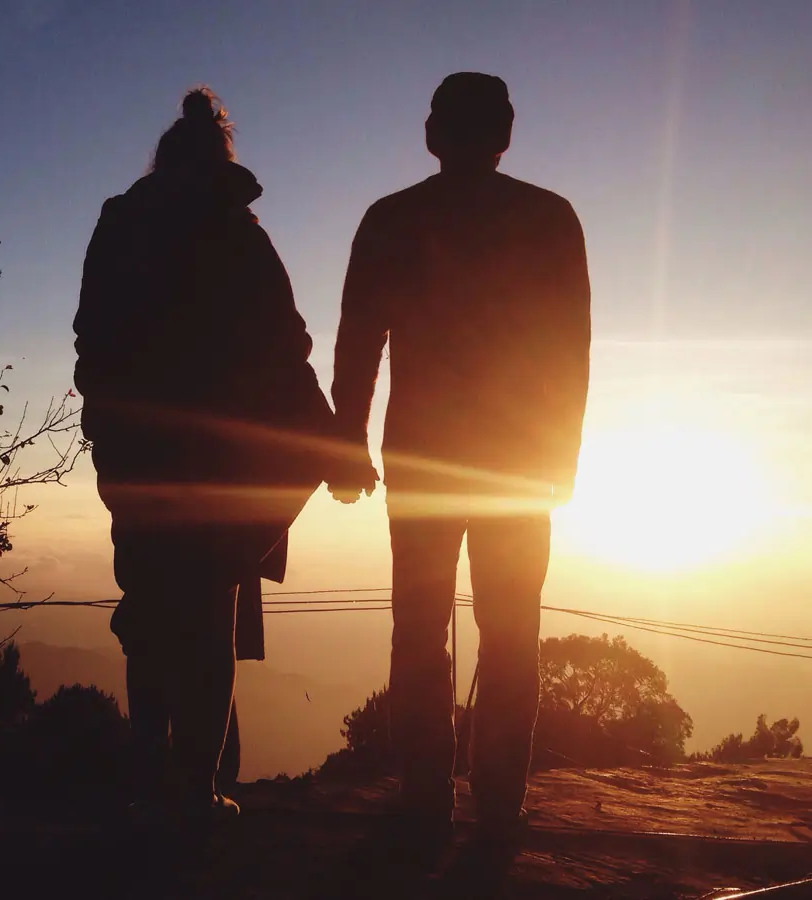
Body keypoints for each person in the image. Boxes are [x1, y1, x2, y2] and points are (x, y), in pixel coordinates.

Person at [329, 72, 591, 842]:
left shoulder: (391, 219)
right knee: (511, 633)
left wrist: (346, 444)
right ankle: (499, 802)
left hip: (424, 456)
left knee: (418, 629)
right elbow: (568, 351)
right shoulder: (549, 218)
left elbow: (358, 344)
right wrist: (562, 455)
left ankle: (424, 796)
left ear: (431, 135)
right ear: (505, 135)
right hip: (517, 463)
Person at [73, 87, 333, 822]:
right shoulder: (239, 233)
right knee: (210, 610)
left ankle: (151, 783)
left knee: (149, 611)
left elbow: (91, 337)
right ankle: (196, 790)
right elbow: (288, 348)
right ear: (222, 162)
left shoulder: (120, 226)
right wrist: (330, 440)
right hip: (223, 462)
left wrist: (109, 419)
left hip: (136, 458)